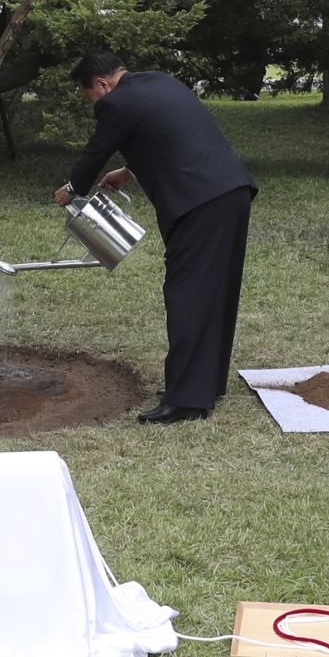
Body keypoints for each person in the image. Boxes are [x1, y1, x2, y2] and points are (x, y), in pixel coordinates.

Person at [54, 52, 256, 425]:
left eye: (90, 97)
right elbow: (168, 127)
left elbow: (95, 152)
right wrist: (129, 170)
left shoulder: (115, 102)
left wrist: (71, 188)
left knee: (187, 294)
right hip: (231, 192)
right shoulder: (159, 81)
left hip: (201, 202)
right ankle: (203, 384)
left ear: (102, 84)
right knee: (215, 292)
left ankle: (186, 401)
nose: (94, 104)